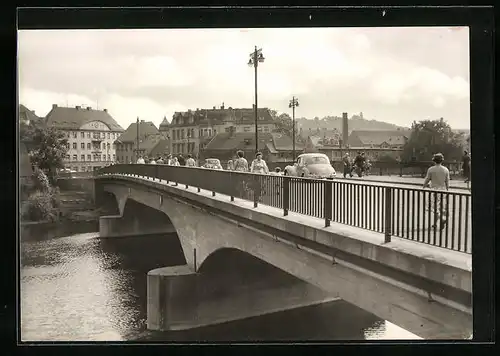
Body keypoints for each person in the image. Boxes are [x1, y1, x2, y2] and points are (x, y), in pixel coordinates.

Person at [423, 153, 450, 230]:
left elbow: (427, 179)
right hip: (443, 190)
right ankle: (435, 223)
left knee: (434, 208)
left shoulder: (431, 169)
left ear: (434, 161)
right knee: (441, 207)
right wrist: (448, 189)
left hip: (434, 190)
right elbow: (447, 181)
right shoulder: (446, 169)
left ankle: (441, 219)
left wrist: (424, 186)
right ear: (442, 161)